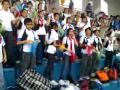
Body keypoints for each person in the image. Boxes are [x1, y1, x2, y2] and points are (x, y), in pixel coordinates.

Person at [0, 0, 19, 67]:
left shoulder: (10, 14)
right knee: (2, 47)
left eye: (7, 4)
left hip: (9, 31)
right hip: (1, 32)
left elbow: (14, 23)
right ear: (2, 5)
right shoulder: (0, 12)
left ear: (9, 5)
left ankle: (9, 63)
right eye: (5, 4)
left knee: (10, 47)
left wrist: (17, 18)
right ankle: (2, 62)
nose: (6, 5)